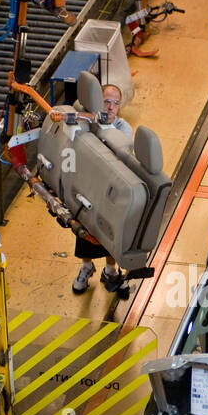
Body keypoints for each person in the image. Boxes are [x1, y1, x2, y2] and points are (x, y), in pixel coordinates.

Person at [72, 83, 132, 296]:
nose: (110, 106)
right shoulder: (87, 122)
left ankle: (110, 270)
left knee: (110, 231)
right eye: (106, 101)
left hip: (110, 189)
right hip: (87, 186)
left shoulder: (124, 129)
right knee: (83, 228)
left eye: (115, 102)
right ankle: (86, 267)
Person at [99, 83, 133, 147]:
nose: (111, 107)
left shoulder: (124, 129)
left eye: (116, 103)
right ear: (98, 101)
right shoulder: (90, 119)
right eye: (107, 102)